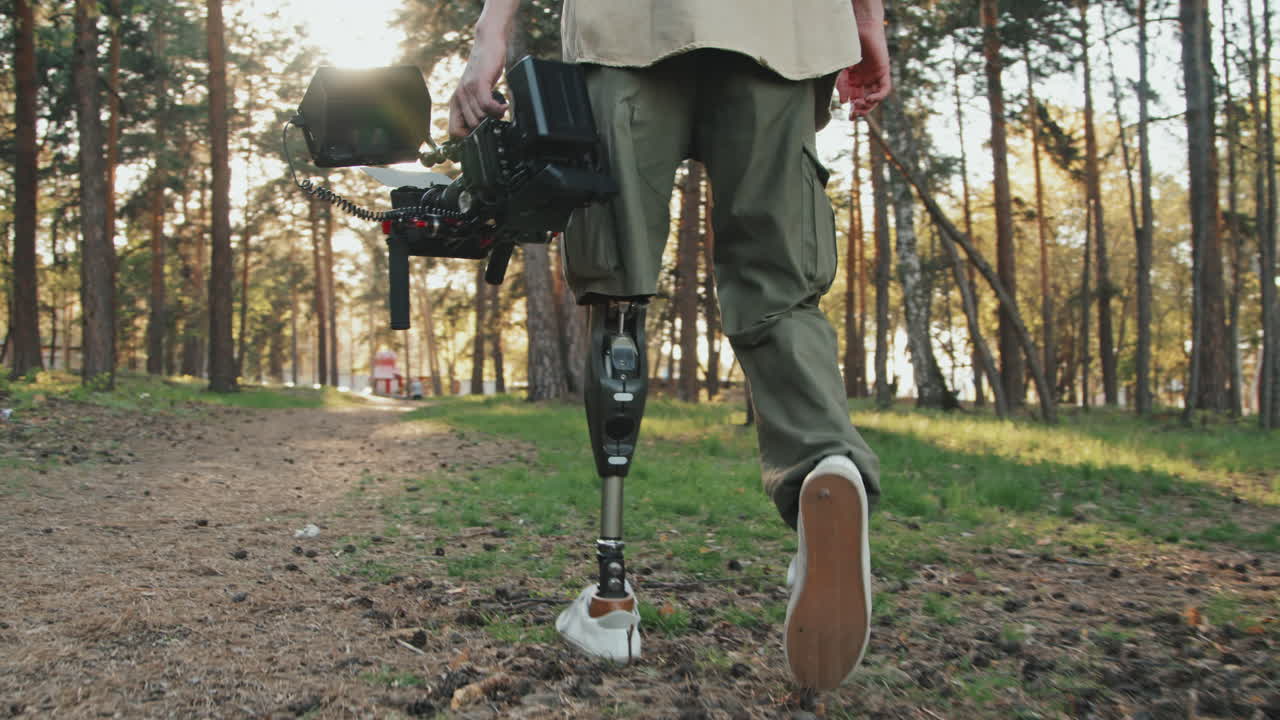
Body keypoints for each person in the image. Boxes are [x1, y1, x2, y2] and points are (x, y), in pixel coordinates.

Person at [448, 0, 890, 691]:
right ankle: (823, 465)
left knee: (617, 286)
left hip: (628, 27)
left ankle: (612, 601)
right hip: (786, 27)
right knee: (779, 286)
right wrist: (867, 22)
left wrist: (489, 37)